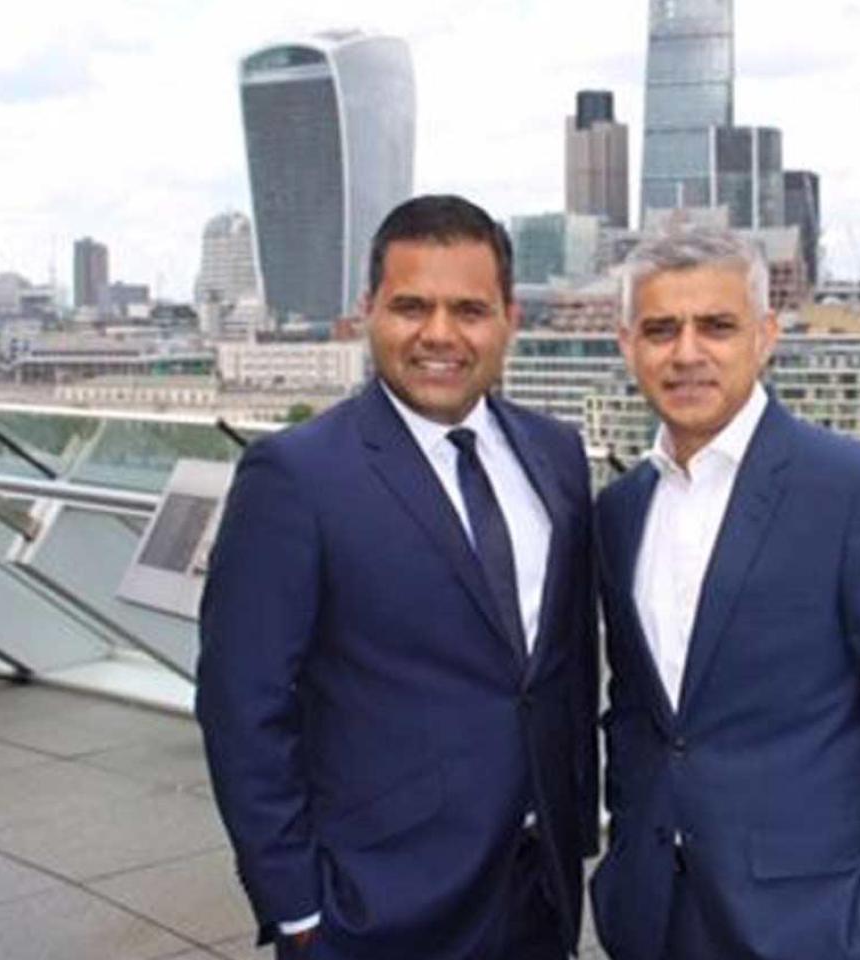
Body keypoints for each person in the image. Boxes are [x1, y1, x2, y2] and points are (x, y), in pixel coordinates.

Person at [197, 195, 598, 960]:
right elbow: (240, 704)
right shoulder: (295, 476)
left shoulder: (557, 456)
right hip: (373, 909)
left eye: (469, 310)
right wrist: (297, 907)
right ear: (368, 311)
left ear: (509, 316)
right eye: (411, 306)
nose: (439, 335)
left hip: (538, 893)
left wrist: (570, 833)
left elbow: (562, 667)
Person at [589, 226, 860, 960]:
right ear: (626, 344)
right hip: (655, 917)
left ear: (766, 336)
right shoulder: (620, 511)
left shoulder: (856, 491)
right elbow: (639, 718)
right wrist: (622, 874)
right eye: (660, 329)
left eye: (717, 326)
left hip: (816, 926)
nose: (686, 352)